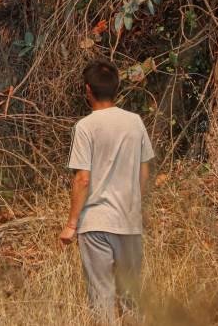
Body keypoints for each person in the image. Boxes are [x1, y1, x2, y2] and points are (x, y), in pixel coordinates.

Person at [59, 60, 154, 323]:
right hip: (129, 222)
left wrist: (71, 224)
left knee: (100, 298)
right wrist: (138, 207)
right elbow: (143, 171)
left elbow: (82, 179)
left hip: (96, 224)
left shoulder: (86, 127)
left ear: (87, 90)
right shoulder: (135, 122)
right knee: (131, 299)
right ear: (117, 88)